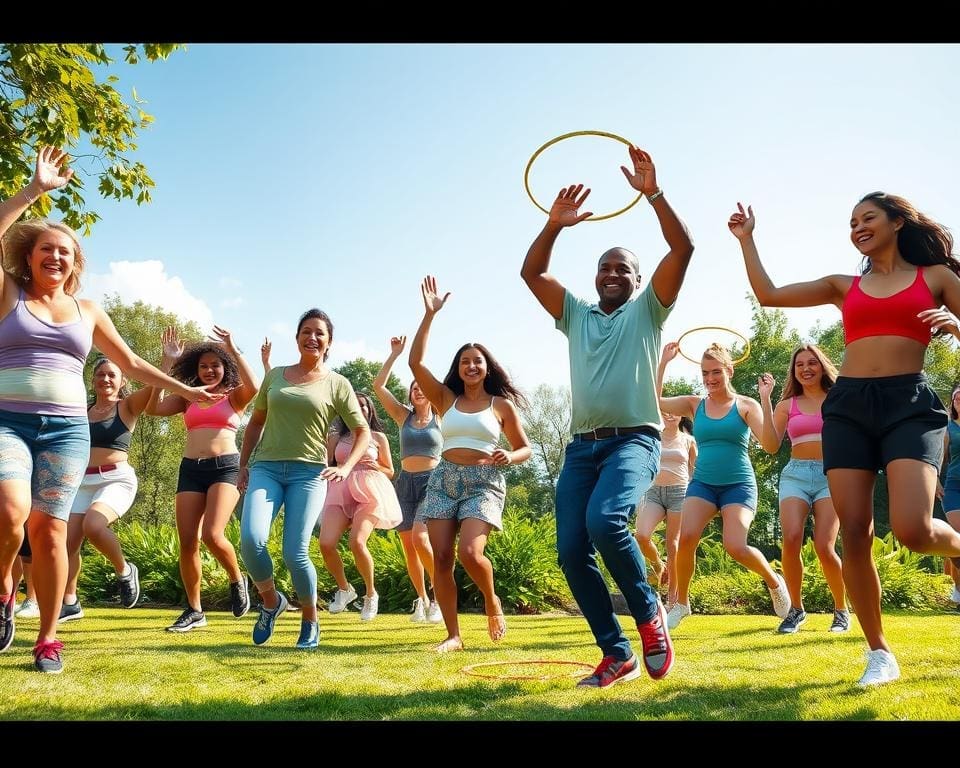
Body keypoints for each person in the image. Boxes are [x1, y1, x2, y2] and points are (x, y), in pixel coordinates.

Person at [0, 147, 221, 673]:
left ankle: (48, 638)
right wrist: (34, 191)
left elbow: (134, 363)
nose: (56, 257)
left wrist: (186, 391)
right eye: (47, 249)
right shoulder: (9, 295)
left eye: (67, 253)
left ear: (76, 265)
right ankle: (5, 589)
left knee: (49, 530)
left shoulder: (87, 310)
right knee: (9, 517)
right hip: (8, 422)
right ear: (29, 256)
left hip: (66, 433)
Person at [729, 192, 960, 686]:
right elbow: (769, 294)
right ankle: (879, 652)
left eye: (868, 218)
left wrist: (957, 325)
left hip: (909, 406)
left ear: (897, 222)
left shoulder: (935, 278)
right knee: (854, 534)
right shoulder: (843, 285)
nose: (857, 227)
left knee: (915, 530)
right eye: (852, 222)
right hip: (850, 408)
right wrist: (748, 241)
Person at [520, 145, 692, 687]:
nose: (611, 273)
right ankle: (615, 653)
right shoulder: (575, 314)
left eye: (622, 268)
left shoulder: (649, 311)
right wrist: (554, 225)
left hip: (632, 443)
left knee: (605, 522)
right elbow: (532, 271)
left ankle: (648, 614)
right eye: (604, 268)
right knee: (571, 549)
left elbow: (683, 248)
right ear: (595, 278)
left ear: (638, 280)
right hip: (580, 447)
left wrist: (654, 195)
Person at [408, 276, 532, 653]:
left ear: (486, 366)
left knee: (470, 554)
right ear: (458, 368)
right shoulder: (445, 398)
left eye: (477, 361)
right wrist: (429, 315)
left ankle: (491, 601)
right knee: (441, 558)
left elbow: (525, 448)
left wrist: (508, 456)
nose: (471, 366)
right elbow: (415, 362)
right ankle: (453, 635)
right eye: (465, 362)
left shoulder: (500, 405)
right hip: (445, 478)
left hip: (484, 481)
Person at [239, 309, 369, 649]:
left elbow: (362, 431)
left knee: (295, 552)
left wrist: (344, 467)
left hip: (309, 474)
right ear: (296, 337)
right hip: (266, 468)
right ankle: (271, 602)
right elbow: (255, 423)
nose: (312, 337)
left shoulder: (337, 383)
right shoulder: (276, 376)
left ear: (329, 342)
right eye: (306, 331)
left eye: (319, 333)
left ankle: (310, 619)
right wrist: (242, 464)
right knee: (251, 540)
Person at [658, 342, 792, 630]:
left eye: (716, 372)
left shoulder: (746, 405)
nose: (710, 379)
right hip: (703, 484)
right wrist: (663, 363)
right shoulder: (695, 405)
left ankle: (773, 581)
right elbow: (654, 401)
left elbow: (770, 446)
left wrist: (766, 400)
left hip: (738, 485)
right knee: (687, 537)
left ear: (729, 370)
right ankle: (681, 603)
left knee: (735, 546)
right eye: (705, 373)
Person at [147, 325, 259, 631]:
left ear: (225, 368)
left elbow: (256, 387)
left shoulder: (235, 397)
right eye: (204, 366)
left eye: (216, 365)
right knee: (188, 542)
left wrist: (233, 348)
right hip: (190, 469)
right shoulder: (188, 397)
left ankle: (237, 579)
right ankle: (194, 610)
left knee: (212, 533)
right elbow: (153, 407)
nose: (210, 370)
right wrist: (166, 364)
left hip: (226, 468)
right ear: (196, 369)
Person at [757, 346, 849, 634]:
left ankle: (841, 610)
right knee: (792, 537)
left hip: (829, 475)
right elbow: (770, 446)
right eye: (800, 365)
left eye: (812, 363)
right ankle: (796, 610)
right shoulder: (787, 405)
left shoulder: (837, 398)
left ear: (822, 366)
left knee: (824, 546)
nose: (806, 368)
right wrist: (765, 399)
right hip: (795, 475)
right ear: (793, 371)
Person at [61, 358, 155, 623]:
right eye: (100, 374)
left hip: (115, 479)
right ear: (93, 380)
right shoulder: (82, 409)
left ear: (122, 380)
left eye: (112, 375)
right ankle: (70, 602)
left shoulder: (127, 406)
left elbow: (153, 386)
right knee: (68, 544)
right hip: (81, 482)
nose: (105, 379)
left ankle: (125, 570)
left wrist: (167, 363)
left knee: (94, 525)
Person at [372, 335, 443, 623]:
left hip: (432, 482)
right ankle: (422, 600)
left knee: (420, 538)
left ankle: (440, 595)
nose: (417, 391)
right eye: (413, 388)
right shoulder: (404, 417)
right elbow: (378, 386)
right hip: (404, 483)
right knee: (408, 547)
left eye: (421, 387)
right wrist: (394, 355)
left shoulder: (442, 417)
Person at [319, 392, 402, 621]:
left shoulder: (378, 437)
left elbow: (390, 471)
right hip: (340, 490)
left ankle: (370, 593)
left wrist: (373, 464)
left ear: (370, 410)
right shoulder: (337, 438)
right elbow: (327, 464)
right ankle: (345, 589)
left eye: (363, 405)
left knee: (357, 542)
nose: (359, 409)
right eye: (354, 405)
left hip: (370, 490)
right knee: (326, 544)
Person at [634, 413, 696, 611]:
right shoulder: (654, 436)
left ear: (682, 417)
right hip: (654, 492)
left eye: (675, 412)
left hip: (680, 492)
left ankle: (672, 599)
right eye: (666, 411)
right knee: (641, 535)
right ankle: (658, 565)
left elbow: (695, 470)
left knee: (673, 545)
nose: (670, 415)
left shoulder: (689, 441)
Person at [937, 386, 960, 604]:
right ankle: (958, 586)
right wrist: (934, 480)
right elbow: (938, 456)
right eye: (957, 398)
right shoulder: (947, 427)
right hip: (954, 486)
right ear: (952, 403)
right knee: (956, 535)